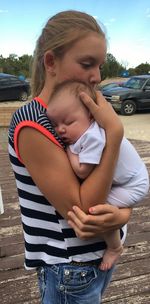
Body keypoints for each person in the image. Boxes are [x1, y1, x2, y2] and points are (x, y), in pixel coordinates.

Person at [8, 10, 133, 304]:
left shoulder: (82, 111)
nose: (97, 77)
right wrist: (113, 134)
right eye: (87, 64)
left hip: (95, 260)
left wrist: (123, 215)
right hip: (70, 268)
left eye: (100, 65)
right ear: (51, 62)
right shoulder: (33, 122)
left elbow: (113, 184)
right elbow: (84, 209)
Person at [46, 80, 149, 272]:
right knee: (100, 209)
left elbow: (82, 170)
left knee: (98, 211)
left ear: (91, 117)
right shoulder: (81, 133)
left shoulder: (92, 136)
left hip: (132, 183)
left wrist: (69, 151)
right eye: (55, 124)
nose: (60, 129)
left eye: (68, 122)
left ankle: (114, 247)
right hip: (123, 181)